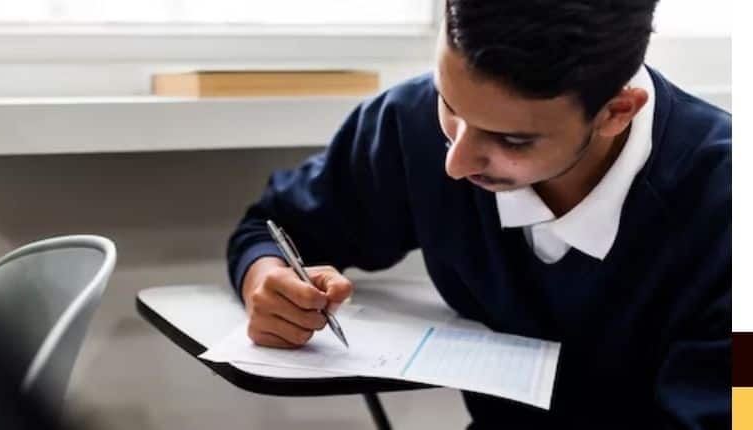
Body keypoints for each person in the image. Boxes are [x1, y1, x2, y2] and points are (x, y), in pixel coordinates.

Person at [227, 0, 730, 428]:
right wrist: (267, 282)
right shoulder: (410, 124)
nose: (456, 161)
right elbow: (273, 228)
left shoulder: (729, 205)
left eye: (512, 140)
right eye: (449, 104)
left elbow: (741, 410)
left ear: (617, 112)